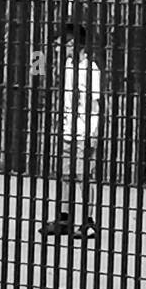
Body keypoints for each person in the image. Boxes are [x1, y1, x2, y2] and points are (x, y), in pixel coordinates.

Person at [43, 22, 103, 239]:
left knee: (83, 177)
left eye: (60, 45)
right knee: (66, 176)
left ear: (72, 44)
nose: (57, 49)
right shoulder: (68, 66)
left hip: (85, 132)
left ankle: (89, 222)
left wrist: (90, 134)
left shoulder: (91, 70)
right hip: (68, 130)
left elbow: (95, 105)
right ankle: (65, 218)